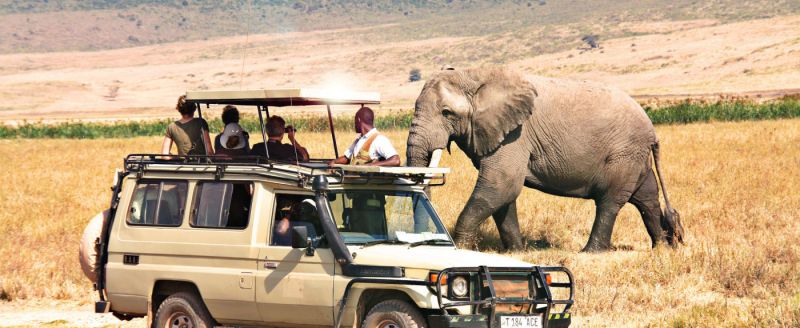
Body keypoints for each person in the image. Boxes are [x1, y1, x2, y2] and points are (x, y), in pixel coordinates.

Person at [328, 106, 400, 166]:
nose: (354, 125)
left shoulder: (379, 139)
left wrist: (371, 165)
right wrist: (334, 162)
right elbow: (347, 158)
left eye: (355, 121)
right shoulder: (359, 140)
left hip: (367, 181)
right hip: (354, 180)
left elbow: (396, 160)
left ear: (358, 120)